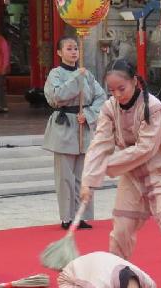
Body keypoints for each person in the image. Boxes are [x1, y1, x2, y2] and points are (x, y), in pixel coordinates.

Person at [79, 59, 161, 288]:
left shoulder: (154, 108)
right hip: (132, 175)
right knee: (121, 232)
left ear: (135, 81)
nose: (117, 95)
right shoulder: (109, 108)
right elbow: (100, 144)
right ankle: (112, 283)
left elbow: (145, 149)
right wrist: (88, 180)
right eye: (112, 90)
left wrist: (104, 168)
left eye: (121, 88)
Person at [43, 37, 106, 230]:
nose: (73, 52)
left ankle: (82, 215)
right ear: (59, 52)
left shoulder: (87, 74)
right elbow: (56, 97)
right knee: (65, 177)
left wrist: (88, 114)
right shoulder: (56, 74)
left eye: (76, 48)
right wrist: (75, 79)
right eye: (69, 49)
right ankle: (67, 217)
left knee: (83, 175)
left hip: (82, 125)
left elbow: (101, 97)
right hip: (64, 126)